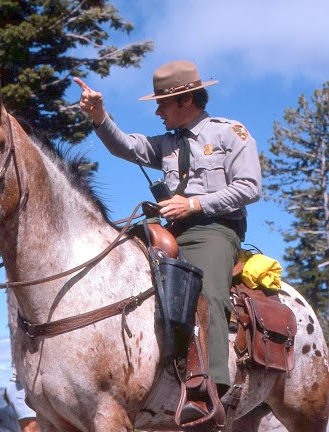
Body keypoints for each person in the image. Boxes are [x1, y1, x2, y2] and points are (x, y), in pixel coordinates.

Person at [75, 60, 262, 404]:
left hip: (215, 229)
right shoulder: (166, 143)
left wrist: (193, 206)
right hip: (171, 228)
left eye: (161, 103)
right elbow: (125, 147)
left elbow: (249, 187)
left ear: (185, 100)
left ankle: (211, 387)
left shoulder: (228, 133)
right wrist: (100, 116)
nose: (158, 111)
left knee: (208, 292)